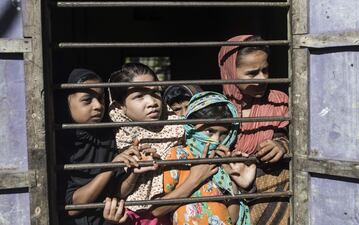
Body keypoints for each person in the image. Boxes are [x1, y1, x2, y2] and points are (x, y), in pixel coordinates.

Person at [103, 92, 256, 225]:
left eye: (223, 135)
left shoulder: (223, 163)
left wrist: (234, 182)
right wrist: (195, 179)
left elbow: (233, 218)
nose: (216, 140)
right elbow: (157, 210)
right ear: (191, 127)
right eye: (210, 131)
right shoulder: (178, 156)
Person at [218, 35, 290, 225]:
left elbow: (294, 137)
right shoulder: (215, 108)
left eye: (265, 70)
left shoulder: (278, 101)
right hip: (226, 189)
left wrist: (281, 145)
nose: (262, 79)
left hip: (270, 191)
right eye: (252, 73)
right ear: (230, 72)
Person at [60, 68, 142, 225]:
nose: (98, 106)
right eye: (87, 100)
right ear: (67, 102)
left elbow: (117, 191)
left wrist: (135, 171)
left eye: (101, 98)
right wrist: (110, 167)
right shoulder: (59, 144)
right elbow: (72, 207)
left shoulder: (109, 135)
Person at [108, 63, 184, 224]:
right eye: (139, 96)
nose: (152, 102)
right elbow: (116, 192)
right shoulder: (113, 138)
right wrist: (135, 172)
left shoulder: (180, 128)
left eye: (155, 92)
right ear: (121, 106)